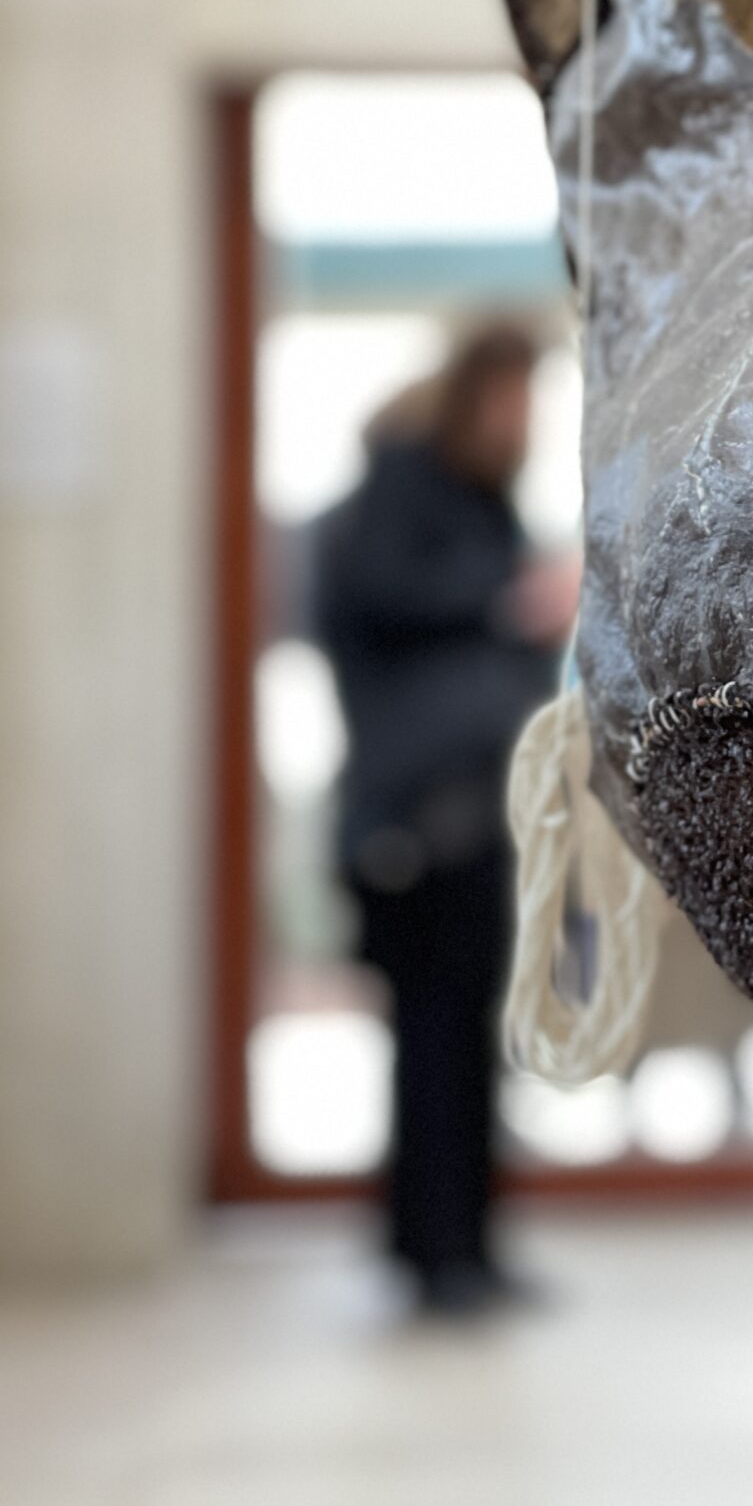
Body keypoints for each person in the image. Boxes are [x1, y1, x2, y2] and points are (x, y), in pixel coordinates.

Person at [313, 323, 577, 1314]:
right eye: (508, 397)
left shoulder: (479, 503)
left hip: (476, 811)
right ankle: (435, 1254)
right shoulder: (401, 495)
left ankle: (463, 1246)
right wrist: (510, 603)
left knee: (464, 1036)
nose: (520, 419)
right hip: (419, 821)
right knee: (432, 1037)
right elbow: (386, 604)